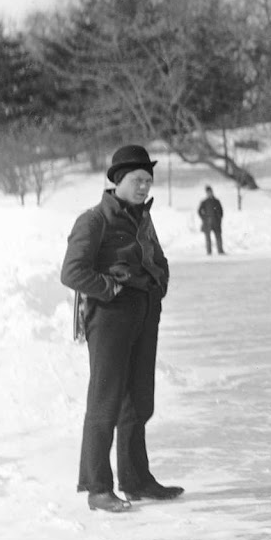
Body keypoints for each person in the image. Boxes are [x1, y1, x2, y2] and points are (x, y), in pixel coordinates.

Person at [59, 145, 183, 513]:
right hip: (110, 318)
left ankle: (136, 480)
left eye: (148, 180)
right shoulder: (94, 219)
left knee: (140, 400)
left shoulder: (143, 220)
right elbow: (72, 271)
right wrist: (110, 288)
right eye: (137, 180)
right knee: (106, 402)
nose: (144, 187)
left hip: (144, 314)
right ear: (117, 181)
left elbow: (158, 259)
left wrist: (158, 286)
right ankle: (98, 487)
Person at [198, 185, 225, 255]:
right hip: (208, 222)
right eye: (208, 192)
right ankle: (209, 251)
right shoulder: (204, 202)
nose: (209, 193)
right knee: (208, 238)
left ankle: (220, 250)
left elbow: (221, 211)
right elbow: (199, 211)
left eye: (210, 192)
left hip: (216, 222)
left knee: (218, 236)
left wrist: (219, 218)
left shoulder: (216, 201)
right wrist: (204, 218)